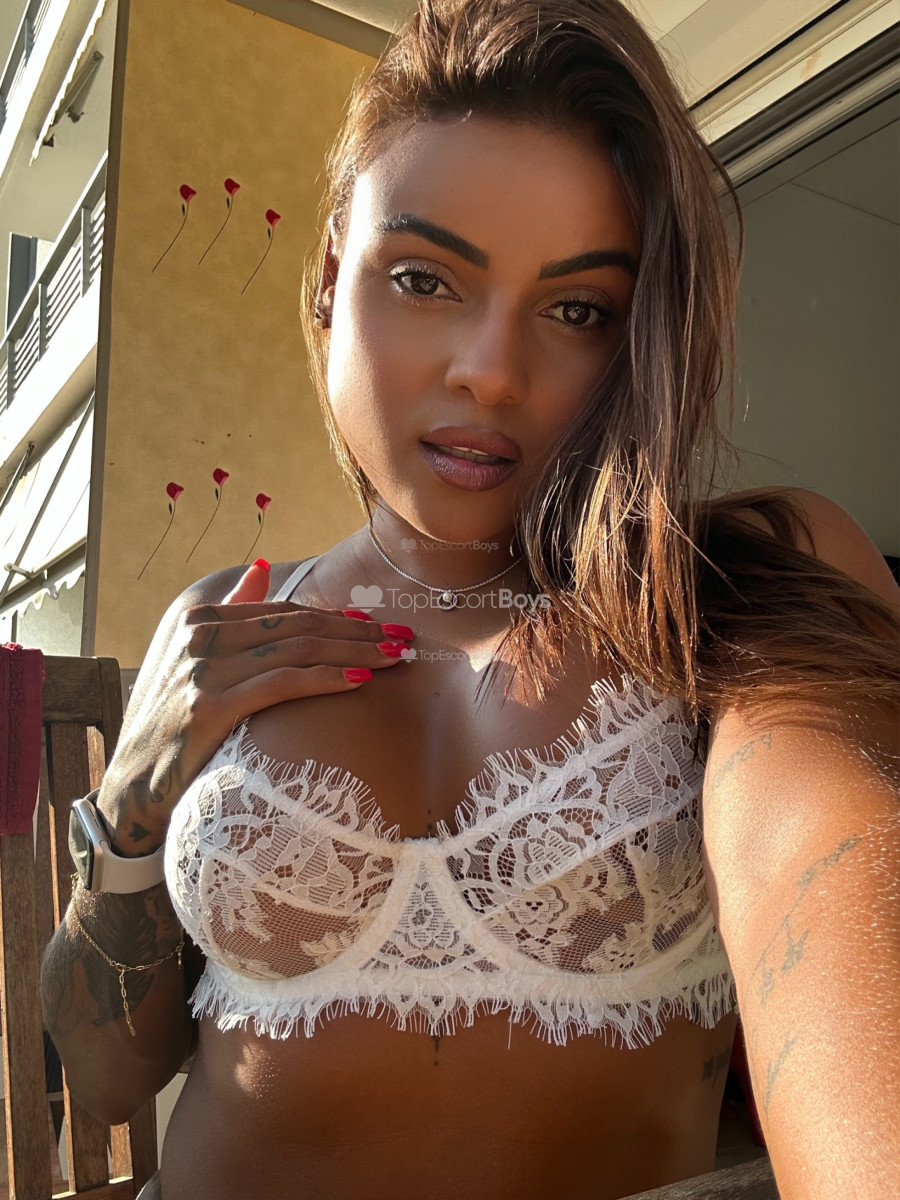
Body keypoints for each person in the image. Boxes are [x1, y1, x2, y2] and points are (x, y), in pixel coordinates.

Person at [41, 2, 899, 1198]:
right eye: (424, 278)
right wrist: (129, 819)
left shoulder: (740, 589)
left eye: (577, 309)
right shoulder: (230, 615)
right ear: (332, 277)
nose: (492, 371)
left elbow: (834, 882)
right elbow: (105, 1083)